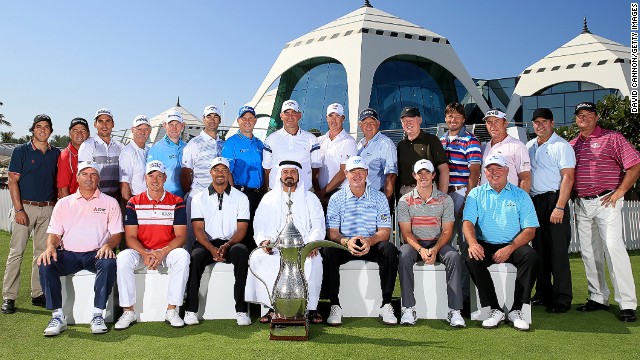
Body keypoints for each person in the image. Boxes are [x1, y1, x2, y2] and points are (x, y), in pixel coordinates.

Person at [570, 101, 640, 322]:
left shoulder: (613, 138)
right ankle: (598, 297)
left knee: (613, 248)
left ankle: (627, 303)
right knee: (589, 252)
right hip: (582, 204)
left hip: (606, 201)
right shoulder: (572, 144)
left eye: (589, 114)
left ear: (596, 117)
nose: (584, 118)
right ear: (576, 118)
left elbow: (635, 165)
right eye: (580, 114)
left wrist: (620, 191)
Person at [36, 161, 122, 336]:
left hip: (96, 254)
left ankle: (98, 315)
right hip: (69, 255)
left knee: (108, 263)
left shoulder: (110, 202)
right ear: (77, 177)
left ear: (99, 178)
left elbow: (116, 234)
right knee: (45, 263)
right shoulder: (63, 203)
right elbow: (54, 232)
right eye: (84, 174)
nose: (89, 178)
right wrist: (51, 247)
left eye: (93, 174)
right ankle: (58, 316)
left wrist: (108, 245)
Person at [463, 154, 539, 331]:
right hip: (486, 243)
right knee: (471, 258)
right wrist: (473, 243)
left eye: (498, 169)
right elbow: (467, 222)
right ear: (485, 172)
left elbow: (530, 230)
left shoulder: (520, 195)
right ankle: (494, 309)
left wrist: (510, 248)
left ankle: (516, 310)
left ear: (507, 170)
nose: (494, 172)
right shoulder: (476, 193)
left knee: (531, 257)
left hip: (513, 244)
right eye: (490, 169)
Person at [246, 160, 325, 324]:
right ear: (280, 175)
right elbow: (259, 225)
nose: (289, 175)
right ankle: (271, 307)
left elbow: (318, 225)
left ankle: (310, 308)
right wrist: (263, 242)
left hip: (303, 248)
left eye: (293, 172)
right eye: (285, 172)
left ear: (298, 176)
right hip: (276, 248)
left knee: (315, 261)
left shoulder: (310, 198)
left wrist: (312, 244)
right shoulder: (268, 198)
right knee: (258, 258)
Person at [323, 156, 398, 326]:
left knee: (390, 250)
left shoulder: (379, 198)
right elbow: (333, 233)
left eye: (361, 171)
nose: (357, 175)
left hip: (371, 243)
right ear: (346, 174)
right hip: (345, 245)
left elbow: (385, 232)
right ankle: (335, 304)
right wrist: (346, 242)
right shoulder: (336, 198)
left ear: (367, 172)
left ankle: (386, 303)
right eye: (352, 172)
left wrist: (369, 241)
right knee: (328, 251)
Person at [114, 160, 190, 329]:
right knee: (123, 257)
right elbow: (130, 237)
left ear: (165, 178)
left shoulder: (176, 201)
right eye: (151, 176)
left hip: (166, 251)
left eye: (159, 176)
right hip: (143, 252)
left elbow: (181, 237)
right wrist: (145, 253)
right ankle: (128, 311)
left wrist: (161, 252)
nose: (155, 180)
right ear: (145, 178)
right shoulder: (134, 202)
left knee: (183, 256)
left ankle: (172, 310)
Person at [2, 114, 60, 315]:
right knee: (16, 252)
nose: (42, 130)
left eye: (46, 126)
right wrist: (18, 210)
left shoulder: (55, 154)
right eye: (38, 126)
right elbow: (12, 181)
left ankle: (38, 293)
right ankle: (9, 296)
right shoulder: (21, 151)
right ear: (33, 130)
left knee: (41, 254)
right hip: (25, 208)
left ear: (51, 131)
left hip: (48, 208)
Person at [183, 157, 251, 326]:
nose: (220, 174)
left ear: (228, 173)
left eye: (224, 170)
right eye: (216, 170)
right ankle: (191, 309)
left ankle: (241, 310)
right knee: (196, 256)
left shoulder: (241, 197)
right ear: (210, 172)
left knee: (242, 253)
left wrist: (227, 245)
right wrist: (211, 248)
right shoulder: (199, 198)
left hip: (232, 242)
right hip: (207, 242)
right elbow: (198, 229)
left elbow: (242, 228)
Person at [397, 159, 465, 327]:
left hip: (438, 242)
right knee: (403, 255)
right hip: (415, 243)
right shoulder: (404, 200)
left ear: (434, 175)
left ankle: (454, 310)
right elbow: (406, 233)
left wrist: (435, 249)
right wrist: (420, 249)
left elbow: (448, 231)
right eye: (419, 173)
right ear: (414, 175)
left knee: (454, 257)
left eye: (427, 172)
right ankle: (408, 308)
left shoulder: (445, 199)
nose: (423, 176)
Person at [526, 108, 575, 313]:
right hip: (535, 201)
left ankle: (562, 298)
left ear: (552, 123)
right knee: (539, 251)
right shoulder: (529, 146)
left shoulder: (561, 146)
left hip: (555, 200)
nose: (540, 125)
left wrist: (560, 206)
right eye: (536, 122)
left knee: (558, 252)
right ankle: (543, 293)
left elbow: (568, 178)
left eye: (544, 121)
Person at [439, 102, 482, 310]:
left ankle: (465, 297)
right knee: (444, 245)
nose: (453, 120)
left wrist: (469, 199)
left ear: (463, 119)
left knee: (465, 247)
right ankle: (447, 294)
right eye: (449, 116)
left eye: (457, 116)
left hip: (462, 194)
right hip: (444, 197)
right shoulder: (441, 141)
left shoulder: (470, 141)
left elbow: (474, 172)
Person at [181, 105, 225, 250]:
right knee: (191, 237)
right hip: (198, 196)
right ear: (203, 119)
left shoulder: (223, 144)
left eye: (215, 117)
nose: (212, 120)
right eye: (209, 116)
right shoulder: (193, 144)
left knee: (214, 236)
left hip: (218, 198)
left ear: (219, 120)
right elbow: (186, 173)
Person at [221, 106, 264, 252]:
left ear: (255, 121)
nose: (247, 121)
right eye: (244, 118)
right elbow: (227, 171)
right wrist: (234, 194)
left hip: (259, 194)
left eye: (250, 118)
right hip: (241, 193)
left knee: (258, 230)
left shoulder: (259, 143)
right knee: (243, 232)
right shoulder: (231, 142)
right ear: (238, 121)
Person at [263, 99, 322, 192]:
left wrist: (303, 180)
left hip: (304, 192)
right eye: (286, 113)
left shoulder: (311, 139)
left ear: (299, 115)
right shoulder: (270, 139)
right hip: (277, 192)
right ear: (281, 116)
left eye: (294, 112)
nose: (290, 116)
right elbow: (267, 170)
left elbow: (315, 169)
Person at [397, 106, 449, 195]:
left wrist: (442, 197)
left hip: (428, 193)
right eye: (404, 121)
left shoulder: (432, 140)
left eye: (411, 120)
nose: (408, 123)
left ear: (420, 120)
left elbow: (444, 170)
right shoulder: (401, 145)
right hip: (405, 195)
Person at [480, 108, 531, 192]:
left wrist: (521, 203)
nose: (493, 126)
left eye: (497, 121)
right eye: (489, 122)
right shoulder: (484, 147)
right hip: (486, 201)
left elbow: (525, 179)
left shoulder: (518, 146)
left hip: (509, 201)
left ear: (505, 123)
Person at [316, 103, 357, 206]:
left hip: (340, 194)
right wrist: (318, 192)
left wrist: (322, 193)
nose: (333, 120)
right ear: (326, 118)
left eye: (337, 116)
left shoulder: (349, 141)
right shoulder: (319, 141)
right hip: (320, 193)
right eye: (330, 116)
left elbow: (344, 172)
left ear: (343, 118)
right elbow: (314, 170)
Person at [78, 108, 123, 198]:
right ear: (95, 124)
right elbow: (85, 178)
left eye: (108, 121)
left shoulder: (120, 147)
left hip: (116, 198)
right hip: (95, 198)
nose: (104, 125)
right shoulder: (87, 146)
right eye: (100, 121)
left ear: (113, 124)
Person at [356, 108, 397, 201]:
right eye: (365, 123)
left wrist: (385, 204)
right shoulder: (360, 144)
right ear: (360, 125)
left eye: (372, 122)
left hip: (377, 197)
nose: (368, 126)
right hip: (362, 199)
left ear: (378, 124)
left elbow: (391, 176)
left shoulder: (385, 143)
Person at [147, 111, 186, 197]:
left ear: (182, 126)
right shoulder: (156, 149)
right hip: (165, 200)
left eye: (177, 124)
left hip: (186, 198)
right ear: (165, 125)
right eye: (171, 124)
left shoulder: (187, 147)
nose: (174, 128)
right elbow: (150, 178)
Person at [119, 115, 152, 202]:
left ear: (150, 131)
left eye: (146, 129)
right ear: (132, 130)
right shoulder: (127, 153)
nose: (143, 132)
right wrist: (129, 209)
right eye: (139, 129)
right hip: (136, 199)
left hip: (151, 200)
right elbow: (124, 184)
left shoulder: (150, 151)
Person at [57, 117, 90, 198]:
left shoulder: (92, 152)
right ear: (69, 134)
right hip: (75, 205)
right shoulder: (65, 156)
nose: (79, 133)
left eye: (83, 130)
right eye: (75, 130)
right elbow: (62, 189)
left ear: (88, 133)